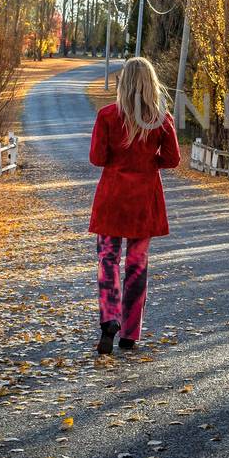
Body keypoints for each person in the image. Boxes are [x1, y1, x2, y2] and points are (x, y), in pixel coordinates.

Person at [88, 57, 181, 355]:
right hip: (144, 199)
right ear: (150, 84)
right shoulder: (160, 119)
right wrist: (147, 160)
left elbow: (97, 158)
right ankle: (129, 332)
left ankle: (109, 319)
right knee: (137, 265)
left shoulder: (107, 115)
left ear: (124, 83)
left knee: (108, 260)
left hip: (113, 198)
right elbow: (172, 159)